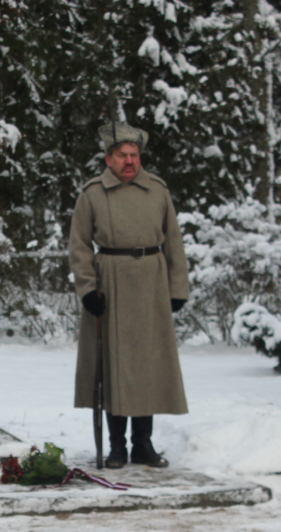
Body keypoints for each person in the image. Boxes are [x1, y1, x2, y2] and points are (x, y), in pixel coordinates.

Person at [69, 121, 190, 469]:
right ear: (108, 159)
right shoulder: (93, 193)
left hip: (152, 283)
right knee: (114, 369)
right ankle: (118, 447)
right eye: (122, 155)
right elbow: (79, 245)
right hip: (112, 284)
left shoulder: (157, 190)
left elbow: (175, 241)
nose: (129, 161)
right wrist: (88, 288)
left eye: (134, 155)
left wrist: (177, 288)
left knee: (148, 367)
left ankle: (143, 445)